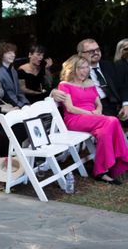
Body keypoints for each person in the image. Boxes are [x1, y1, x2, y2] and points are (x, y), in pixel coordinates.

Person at [57, 55, 128, 184]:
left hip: (94, 118)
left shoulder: (89, 82)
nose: (85, 71)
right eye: (81, 68)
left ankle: (101, 172)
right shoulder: (64, 84)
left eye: (86, 67)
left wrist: (99, 110)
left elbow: (98, 102)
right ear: (72, 69)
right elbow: (70, 108)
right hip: (75, 119)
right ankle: (120, 161)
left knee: (104, 133)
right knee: (112, 120)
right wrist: (92, 113)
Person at [53, 38, 128, 123]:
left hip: (117, 104)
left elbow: (123, 85)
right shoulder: (77, 70)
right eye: (91, 51)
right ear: (80, 54)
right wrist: (54, 92)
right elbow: (65, 84)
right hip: (95, 108)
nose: (96, 52)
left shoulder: (109, 65)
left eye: (97, 49)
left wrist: (126, 104)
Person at [0, 41, 29, 108]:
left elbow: (19, 91)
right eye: (9, 53)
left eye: (13, 52)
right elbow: (5, 95)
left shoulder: (13, 71)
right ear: (1, 54)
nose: (13, 55)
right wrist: (20, 105)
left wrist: (26, 103)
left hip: (19, 104)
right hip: (9, 106)